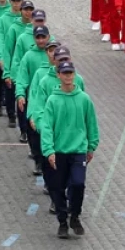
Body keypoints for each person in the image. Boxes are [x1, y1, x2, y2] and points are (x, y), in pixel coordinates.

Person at [40, 61, 99, 239]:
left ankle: (75, 215)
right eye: (64, 73)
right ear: (58, 75)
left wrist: (91, 146)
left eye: (70, 73)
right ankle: (62, 221)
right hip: (59, 151)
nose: (68, 76)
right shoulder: (53, 100)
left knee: (78, 183)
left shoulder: (84, 99)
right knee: (57, 188)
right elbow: (47, 127)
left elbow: (91, 123)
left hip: (78, 151)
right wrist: (49, 150)